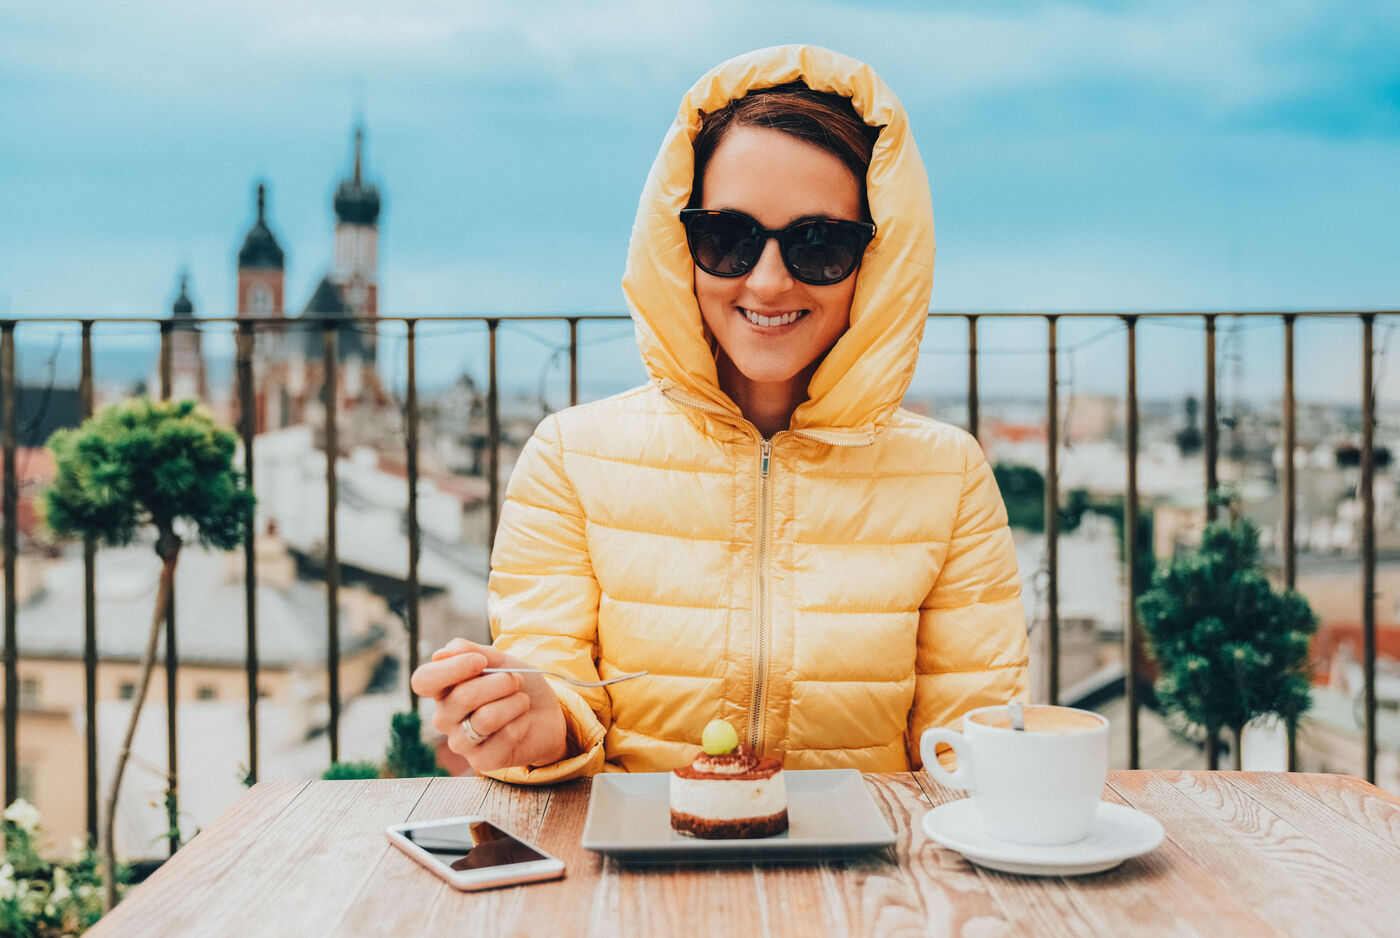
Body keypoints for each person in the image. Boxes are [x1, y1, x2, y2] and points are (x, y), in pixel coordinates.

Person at [411, 45, 1029, 783]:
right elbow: (560, 687)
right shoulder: (570, 458)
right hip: (640, 885)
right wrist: (537, 724)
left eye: (819, 244)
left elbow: (971, 753)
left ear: (881, 259)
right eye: (727, 239)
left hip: (871, 888)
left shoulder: (949, 476)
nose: (768, 281)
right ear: (679, 247)